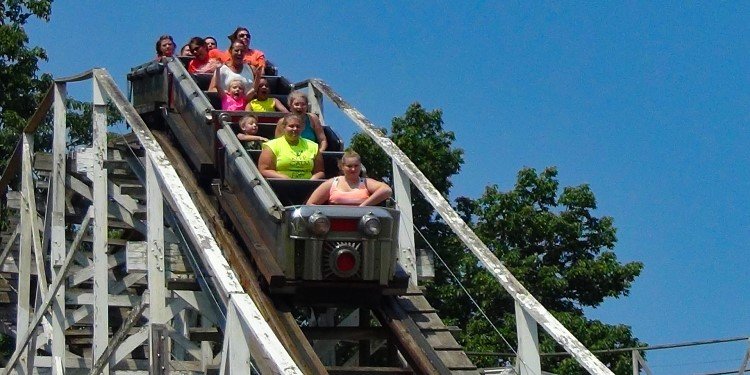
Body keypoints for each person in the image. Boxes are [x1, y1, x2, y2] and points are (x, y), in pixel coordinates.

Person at [306, 150, 392, 206]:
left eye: (356, 166)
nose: (353, 169)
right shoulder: (332, 183)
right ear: (342, 167)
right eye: (349, 166)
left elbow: (387, 190)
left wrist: (363, 206)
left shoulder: (366, 182)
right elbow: (310, 204)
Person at [259, 114, 324, 179]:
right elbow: (264, 170)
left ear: (302, 128)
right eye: (291, 126)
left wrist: (312, 180)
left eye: (298, 126)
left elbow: (319, 171)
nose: (295, 129)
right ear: (284, 127)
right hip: (279, 185)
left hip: (308, 186)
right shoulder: (271, 145)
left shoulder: (313, 146)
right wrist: (284, 178)